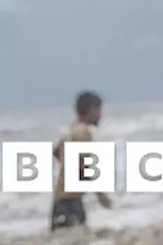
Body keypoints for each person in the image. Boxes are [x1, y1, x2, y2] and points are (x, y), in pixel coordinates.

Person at [50, 90, 113, 231]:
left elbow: (56, 152)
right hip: (70, 202)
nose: (101, 115)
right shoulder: (84, 132)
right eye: (99, 110)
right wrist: (101, 195)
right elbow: (86, 167)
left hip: (60, 200)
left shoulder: (72, 131)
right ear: (91, 109)